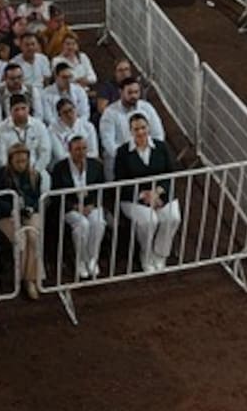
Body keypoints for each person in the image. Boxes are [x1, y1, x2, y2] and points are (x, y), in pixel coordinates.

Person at [115, 113, 181, 273]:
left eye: (143, 127)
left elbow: (171, 173)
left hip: (161, 195)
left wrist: (157, 193)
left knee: (173, 218)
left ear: (148, 128)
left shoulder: (161, 146)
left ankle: (161, 253)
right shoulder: (123, 152)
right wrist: (144, 195)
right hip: (134, 198)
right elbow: (120, 181)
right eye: (136, 129)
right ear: (130, 131)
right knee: (149, 221)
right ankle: (146, 253)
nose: (140, 132)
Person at [0, 142, 49, 299]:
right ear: (10, 160)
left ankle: (28, 279)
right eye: (18, 161)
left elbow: (37, 199)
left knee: (33, 236)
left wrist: (28, 207)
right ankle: (26, 280)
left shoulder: (35, 176)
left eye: (24, 161)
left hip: (29, 212)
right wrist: (12, 209)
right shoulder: (0, 175)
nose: (22, 165)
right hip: (7, 214)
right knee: (20, 239)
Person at [50, 135, 107, 279]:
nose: (81, 152)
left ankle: (92, 258)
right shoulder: (59, 168)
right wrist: (76, 207)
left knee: (98, 222)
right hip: (70, 207)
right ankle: (80, 260)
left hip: (91, 205)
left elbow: (103, 189)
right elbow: (56, 196)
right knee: (82, 225)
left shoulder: (96, 165)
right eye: (77, 149)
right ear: (69, 150)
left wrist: (92, 205)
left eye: (84, 148)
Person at [99, 76, 165, 178]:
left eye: (136, 92)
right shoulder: (109, 113)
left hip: (146, 157)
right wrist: (130, 158)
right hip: (120, 163)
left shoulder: (147, 108)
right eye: (130, 93)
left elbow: (158, 135)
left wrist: (146, 154)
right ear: (120, 92)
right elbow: (108, 143)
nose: (134, 96)